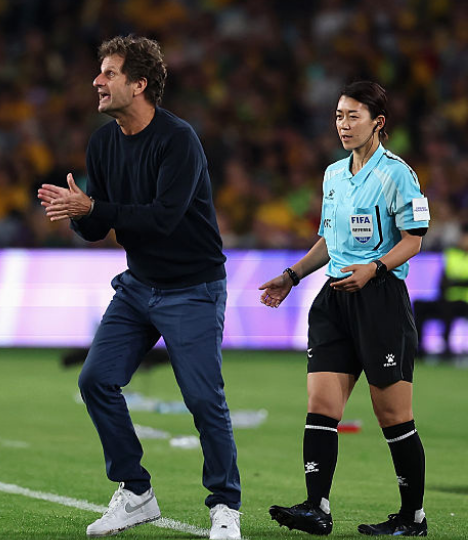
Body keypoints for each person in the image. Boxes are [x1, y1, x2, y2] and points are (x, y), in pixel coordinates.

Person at [37, 35, 241, 540]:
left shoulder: (179, 140)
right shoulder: (103, 142)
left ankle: (225, 507)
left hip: (193, 287)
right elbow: (98, 224)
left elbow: (164, 219)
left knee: (202, 398)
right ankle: (135, 492)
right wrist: (76, 212)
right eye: (99, 71)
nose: (97, 81)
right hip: (138, 286)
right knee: (95, 381)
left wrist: (93, 210)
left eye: (108, 73)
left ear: (140, 84)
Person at [260, 81, 430, 537]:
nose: (343, 124)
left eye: (353, 116)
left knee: (392, 415)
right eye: (338, 115)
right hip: (334, 299)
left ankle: (412, 517)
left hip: (380, 302)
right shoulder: (333, 175)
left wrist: (374, 268)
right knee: (321, 405)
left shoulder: (398, 174)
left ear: (378, 122)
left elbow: (414, 239)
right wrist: (292, 276)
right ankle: (317, 507)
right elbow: (328, 240)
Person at [412, 224, 468, 360]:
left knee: (448, 308)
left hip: (464, 301)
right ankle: (418, 348)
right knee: (419, 304)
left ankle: (447, 349)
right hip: (447, 299)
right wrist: (457, 283)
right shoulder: (451, 254)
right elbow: (443, 282)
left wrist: (454, 283)